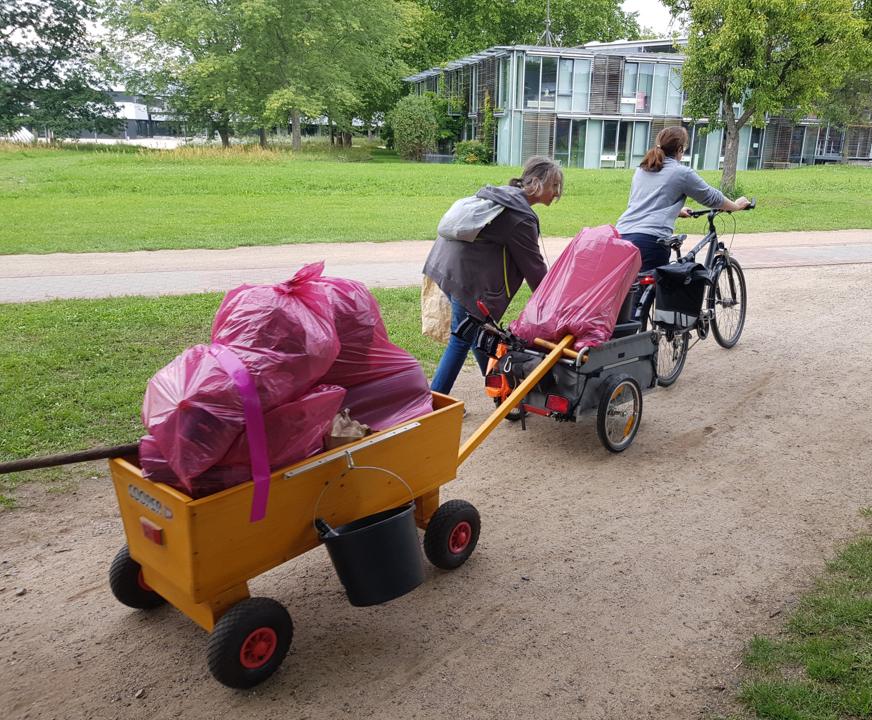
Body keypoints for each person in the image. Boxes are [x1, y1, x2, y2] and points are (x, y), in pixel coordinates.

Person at [423, 156, 563, 394]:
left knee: (479, 331)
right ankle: (432, 404)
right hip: (465, 279)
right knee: (462, 338)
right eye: (555, 186)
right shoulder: (521, 217)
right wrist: (557, 302)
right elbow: (535, 269)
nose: (558, 193)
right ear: (537, 183)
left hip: (444, 267)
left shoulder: (506, 196)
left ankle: (501, 393)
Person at [616, 126, 751, 271]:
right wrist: (736, 206)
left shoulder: (642, 169)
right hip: (651, 241)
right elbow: (712, 198)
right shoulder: (681, 173)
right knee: (657, 290)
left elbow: (642, 203)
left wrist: (677, 211)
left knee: (628, 290)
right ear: (680, 149)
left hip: (622, 236)